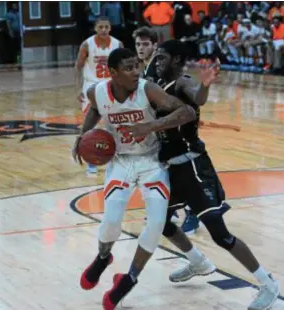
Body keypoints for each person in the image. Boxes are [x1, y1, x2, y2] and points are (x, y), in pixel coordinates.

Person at [125, 40, 280, 310]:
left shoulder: (182, 82)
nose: (157, 63)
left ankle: (268, 283)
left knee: (220, 234)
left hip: (193, 167)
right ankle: (197, 261)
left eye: (162, 58)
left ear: (176, 60)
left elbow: (197, 97)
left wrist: (205, 85)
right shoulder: (157, 87)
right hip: (168, 168)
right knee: (159, 223)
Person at [72, 47, 196, 310]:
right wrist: (82, 137)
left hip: (152, 162)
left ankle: (129, 279)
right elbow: (94, 109)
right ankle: (104, 257)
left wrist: (150, 126)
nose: (135, 72)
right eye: (128, 68)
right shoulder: (97, 91)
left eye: (137, 66)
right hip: (120, 162)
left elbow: (187, 112)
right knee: (111, 221)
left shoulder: (147, 89)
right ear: (113, 72)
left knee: (155, 224)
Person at [133, 26, 199, 233]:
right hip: (162, 127)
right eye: (138, 44)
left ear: (155, 45)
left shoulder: (159, 66)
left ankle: (192, 212)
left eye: (146, 44)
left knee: (180, 173)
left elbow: (182, 91)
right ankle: (168, 210)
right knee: (161, 171)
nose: (141, 48)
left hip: (177, 127)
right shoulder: (145, 68)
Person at [75, 16, 123, 176]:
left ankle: (118, 157)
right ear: (95, 28)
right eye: (100, 27)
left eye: (106, 27)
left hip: (111, 86)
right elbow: (78, 67)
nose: (103, 30)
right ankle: (91, 161)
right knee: (91, 127)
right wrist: (78, 89)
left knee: (116, 123)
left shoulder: (117, 44)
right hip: (91, 87)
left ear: (110, 28)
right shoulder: (87, 44)